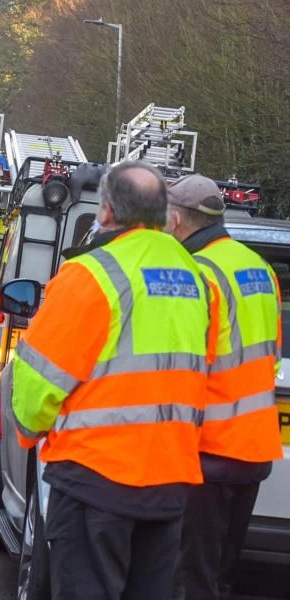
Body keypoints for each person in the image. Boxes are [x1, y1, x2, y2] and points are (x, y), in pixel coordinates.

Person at [8, 161, 214, 599]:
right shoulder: (194, 278)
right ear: (165, 214)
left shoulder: (91, 274)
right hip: (169, 479)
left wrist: (30, 431)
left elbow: (39, 379)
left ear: (105, 211)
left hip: (96, 477)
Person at [165, 175, 283, 599]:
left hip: (206, 450)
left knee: (189, 579)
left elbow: (183, 368)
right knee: (218, 577)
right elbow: (269, 352)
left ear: (176, 219)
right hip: (251, 448)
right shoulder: (260, 269)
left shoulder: (196, 273)